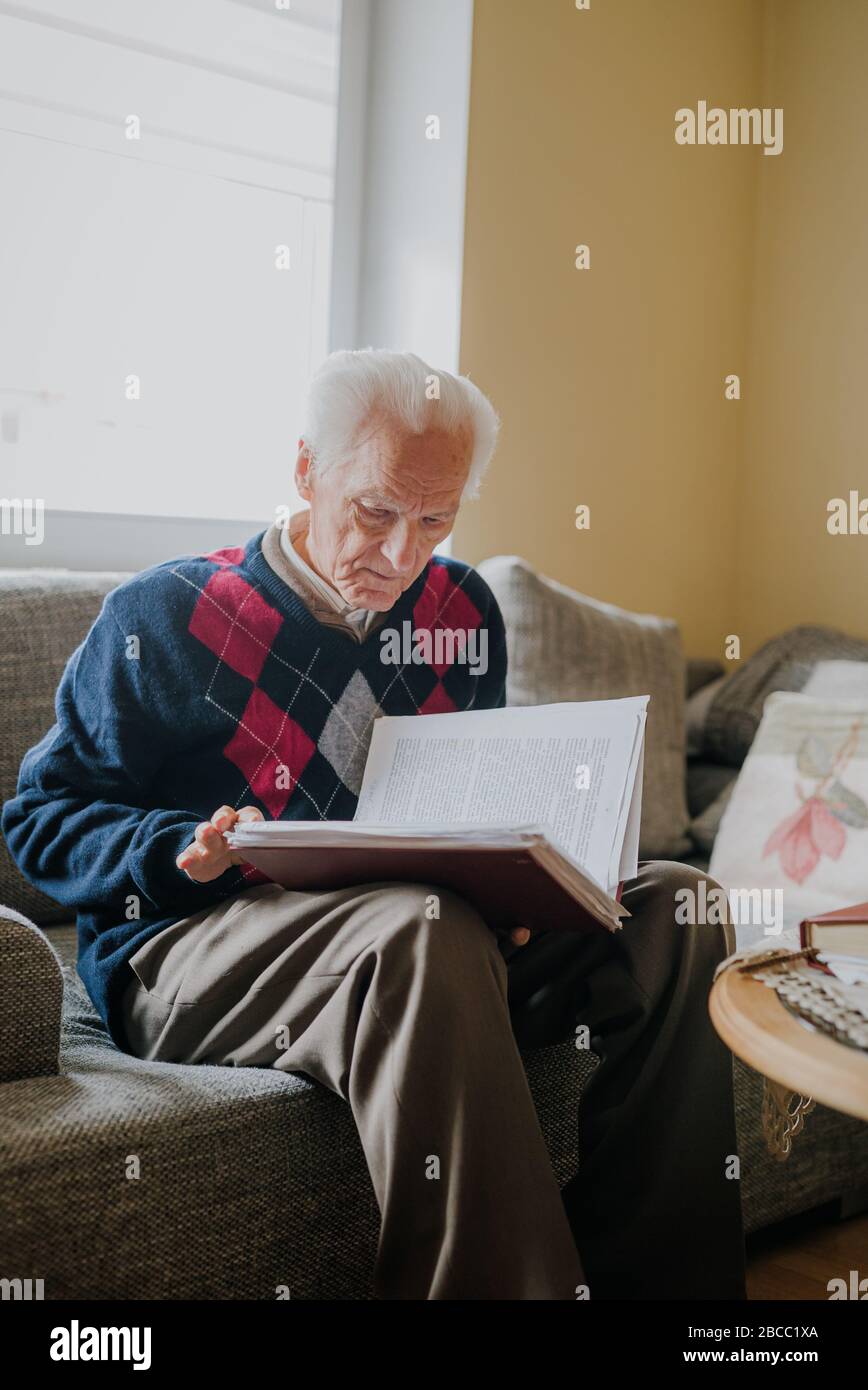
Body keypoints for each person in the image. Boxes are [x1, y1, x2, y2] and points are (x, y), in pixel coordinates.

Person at [2, 348, 746, 1301]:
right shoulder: (167, 614)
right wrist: (172, 853)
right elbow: (42, 818)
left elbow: (471, 799)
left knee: (678, 909)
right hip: (192, 946)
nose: (403, 553)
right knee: (418, 927)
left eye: (436, 519)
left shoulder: (462, 610)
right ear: (308, 471)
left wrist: (520, 880)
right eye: (377, 511)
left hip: (421, 931)